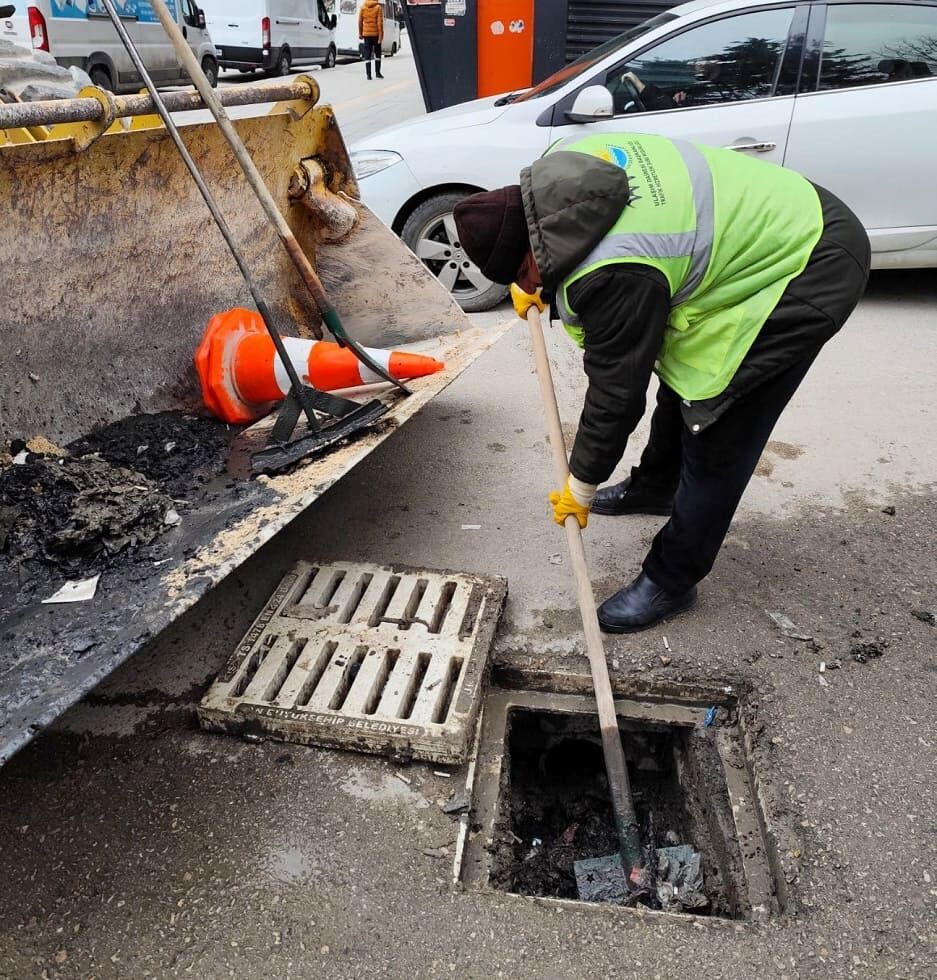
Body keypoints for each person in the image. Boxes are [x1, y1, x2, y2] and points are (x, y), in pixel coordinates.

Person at [452, 133, 870, 633]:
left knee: (717, 422)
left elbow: (616, 394)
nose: (528, 287)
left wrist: (581, 485)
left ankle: (672, 578)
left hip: (807, 262)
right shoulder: (561, 168)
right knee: (685, 370)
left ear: (534, 244)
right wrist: (538, 284)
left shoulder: (615, 271)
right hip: (773, 218)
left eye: (523, 273)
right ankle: (656, 487)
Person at [358, 0, 384, 79]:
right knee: (378, 54)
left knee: (367, 54)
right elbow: (380, 23)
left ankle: (368, 75)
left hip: (366, 35)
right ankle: (377, 73)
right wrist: (381, 36)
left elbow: (360, 21)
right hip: (376, 35)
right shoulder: (378, 7)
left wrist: (360, 33)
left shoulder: (363, 7)